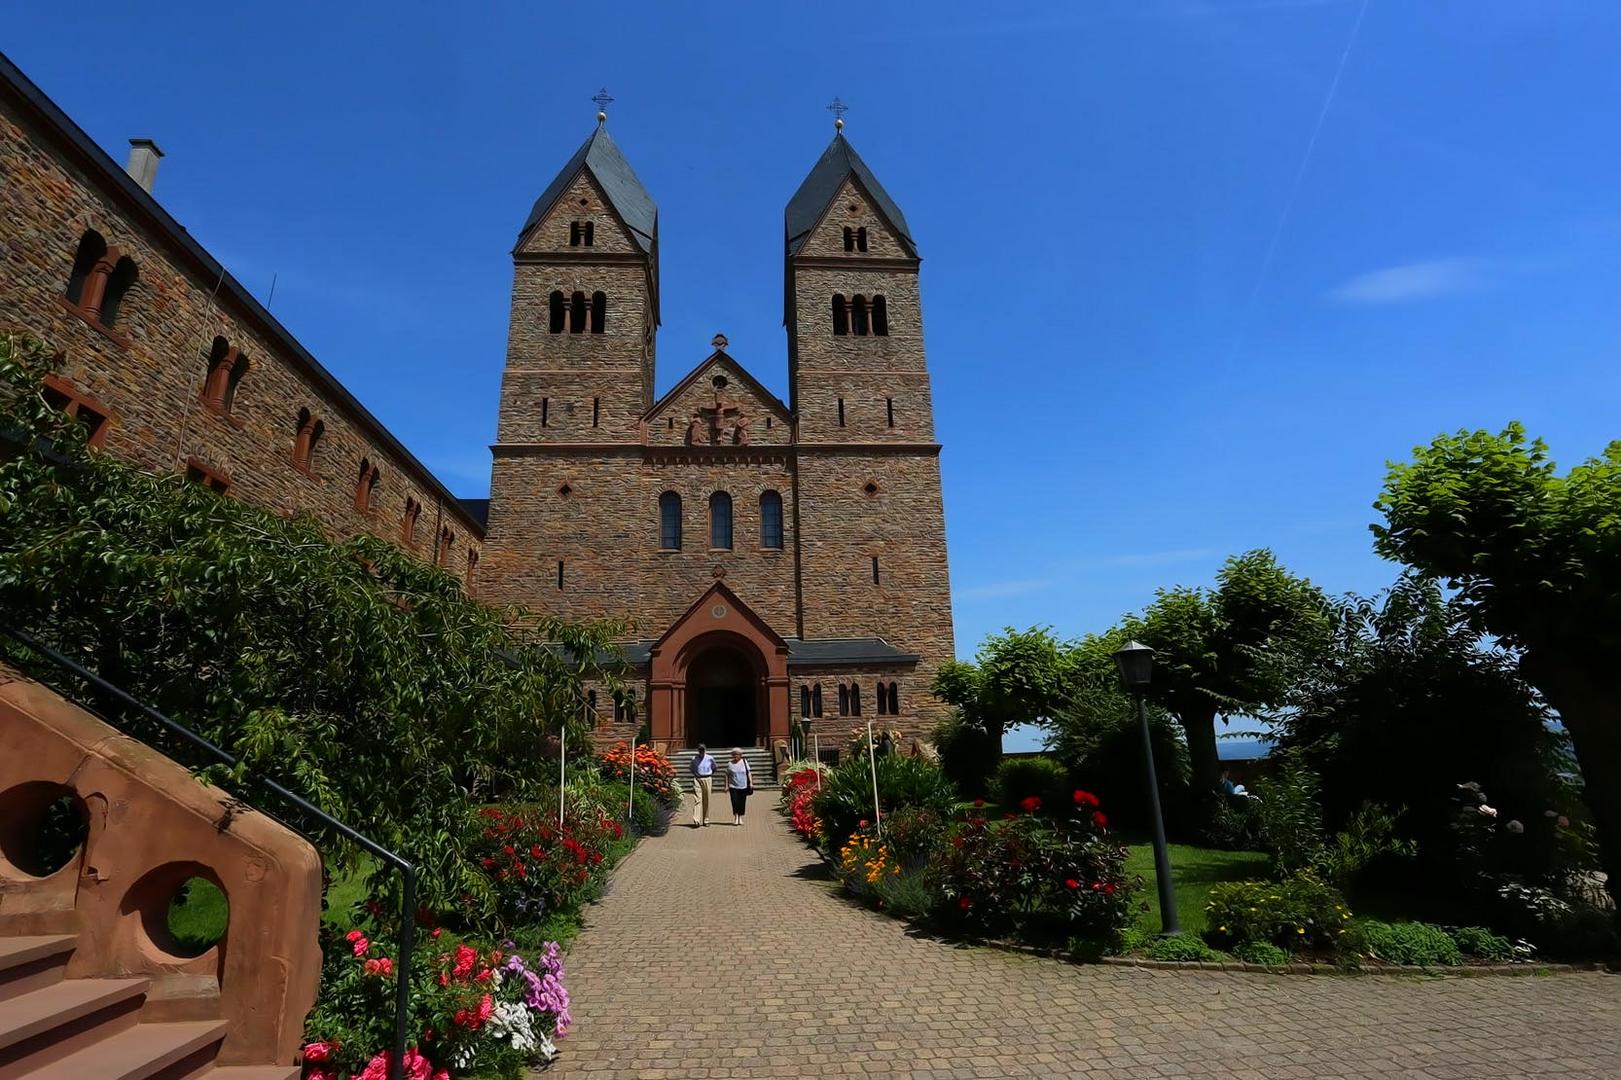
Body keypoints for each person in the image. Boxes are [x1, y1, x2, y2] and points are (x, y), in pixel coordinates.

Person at [725, 748, 753, 827]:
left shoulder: (744, 762)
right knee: (734, 802)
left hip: (743, 786)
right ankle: (736, 817)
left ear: (740, 755)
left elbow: (749, 773)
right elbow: (727, 774)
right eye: (734, 754)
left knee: (742, 802)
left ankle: (740, 817)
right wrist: (726, 785)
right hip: (733, 786)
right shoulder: (730, 764)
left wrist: (751, 783)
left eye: (737, 754)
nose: (736, 756)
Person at [689, 743, 715, 827]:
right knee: (697, 799)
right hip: (697, 779)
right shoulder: (694, 759)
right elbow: (691, 768)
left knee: (707, 799)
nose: (701, 752)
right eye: (700, 750)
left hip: (707, 778)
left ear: (705, 750)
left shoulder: (710, 758)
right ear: (698, 750)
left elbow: (715, 767)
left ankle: (706, 820)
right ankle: (696, 820)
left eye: (703, 750)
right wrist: (696, 774)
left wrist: (710, 774)